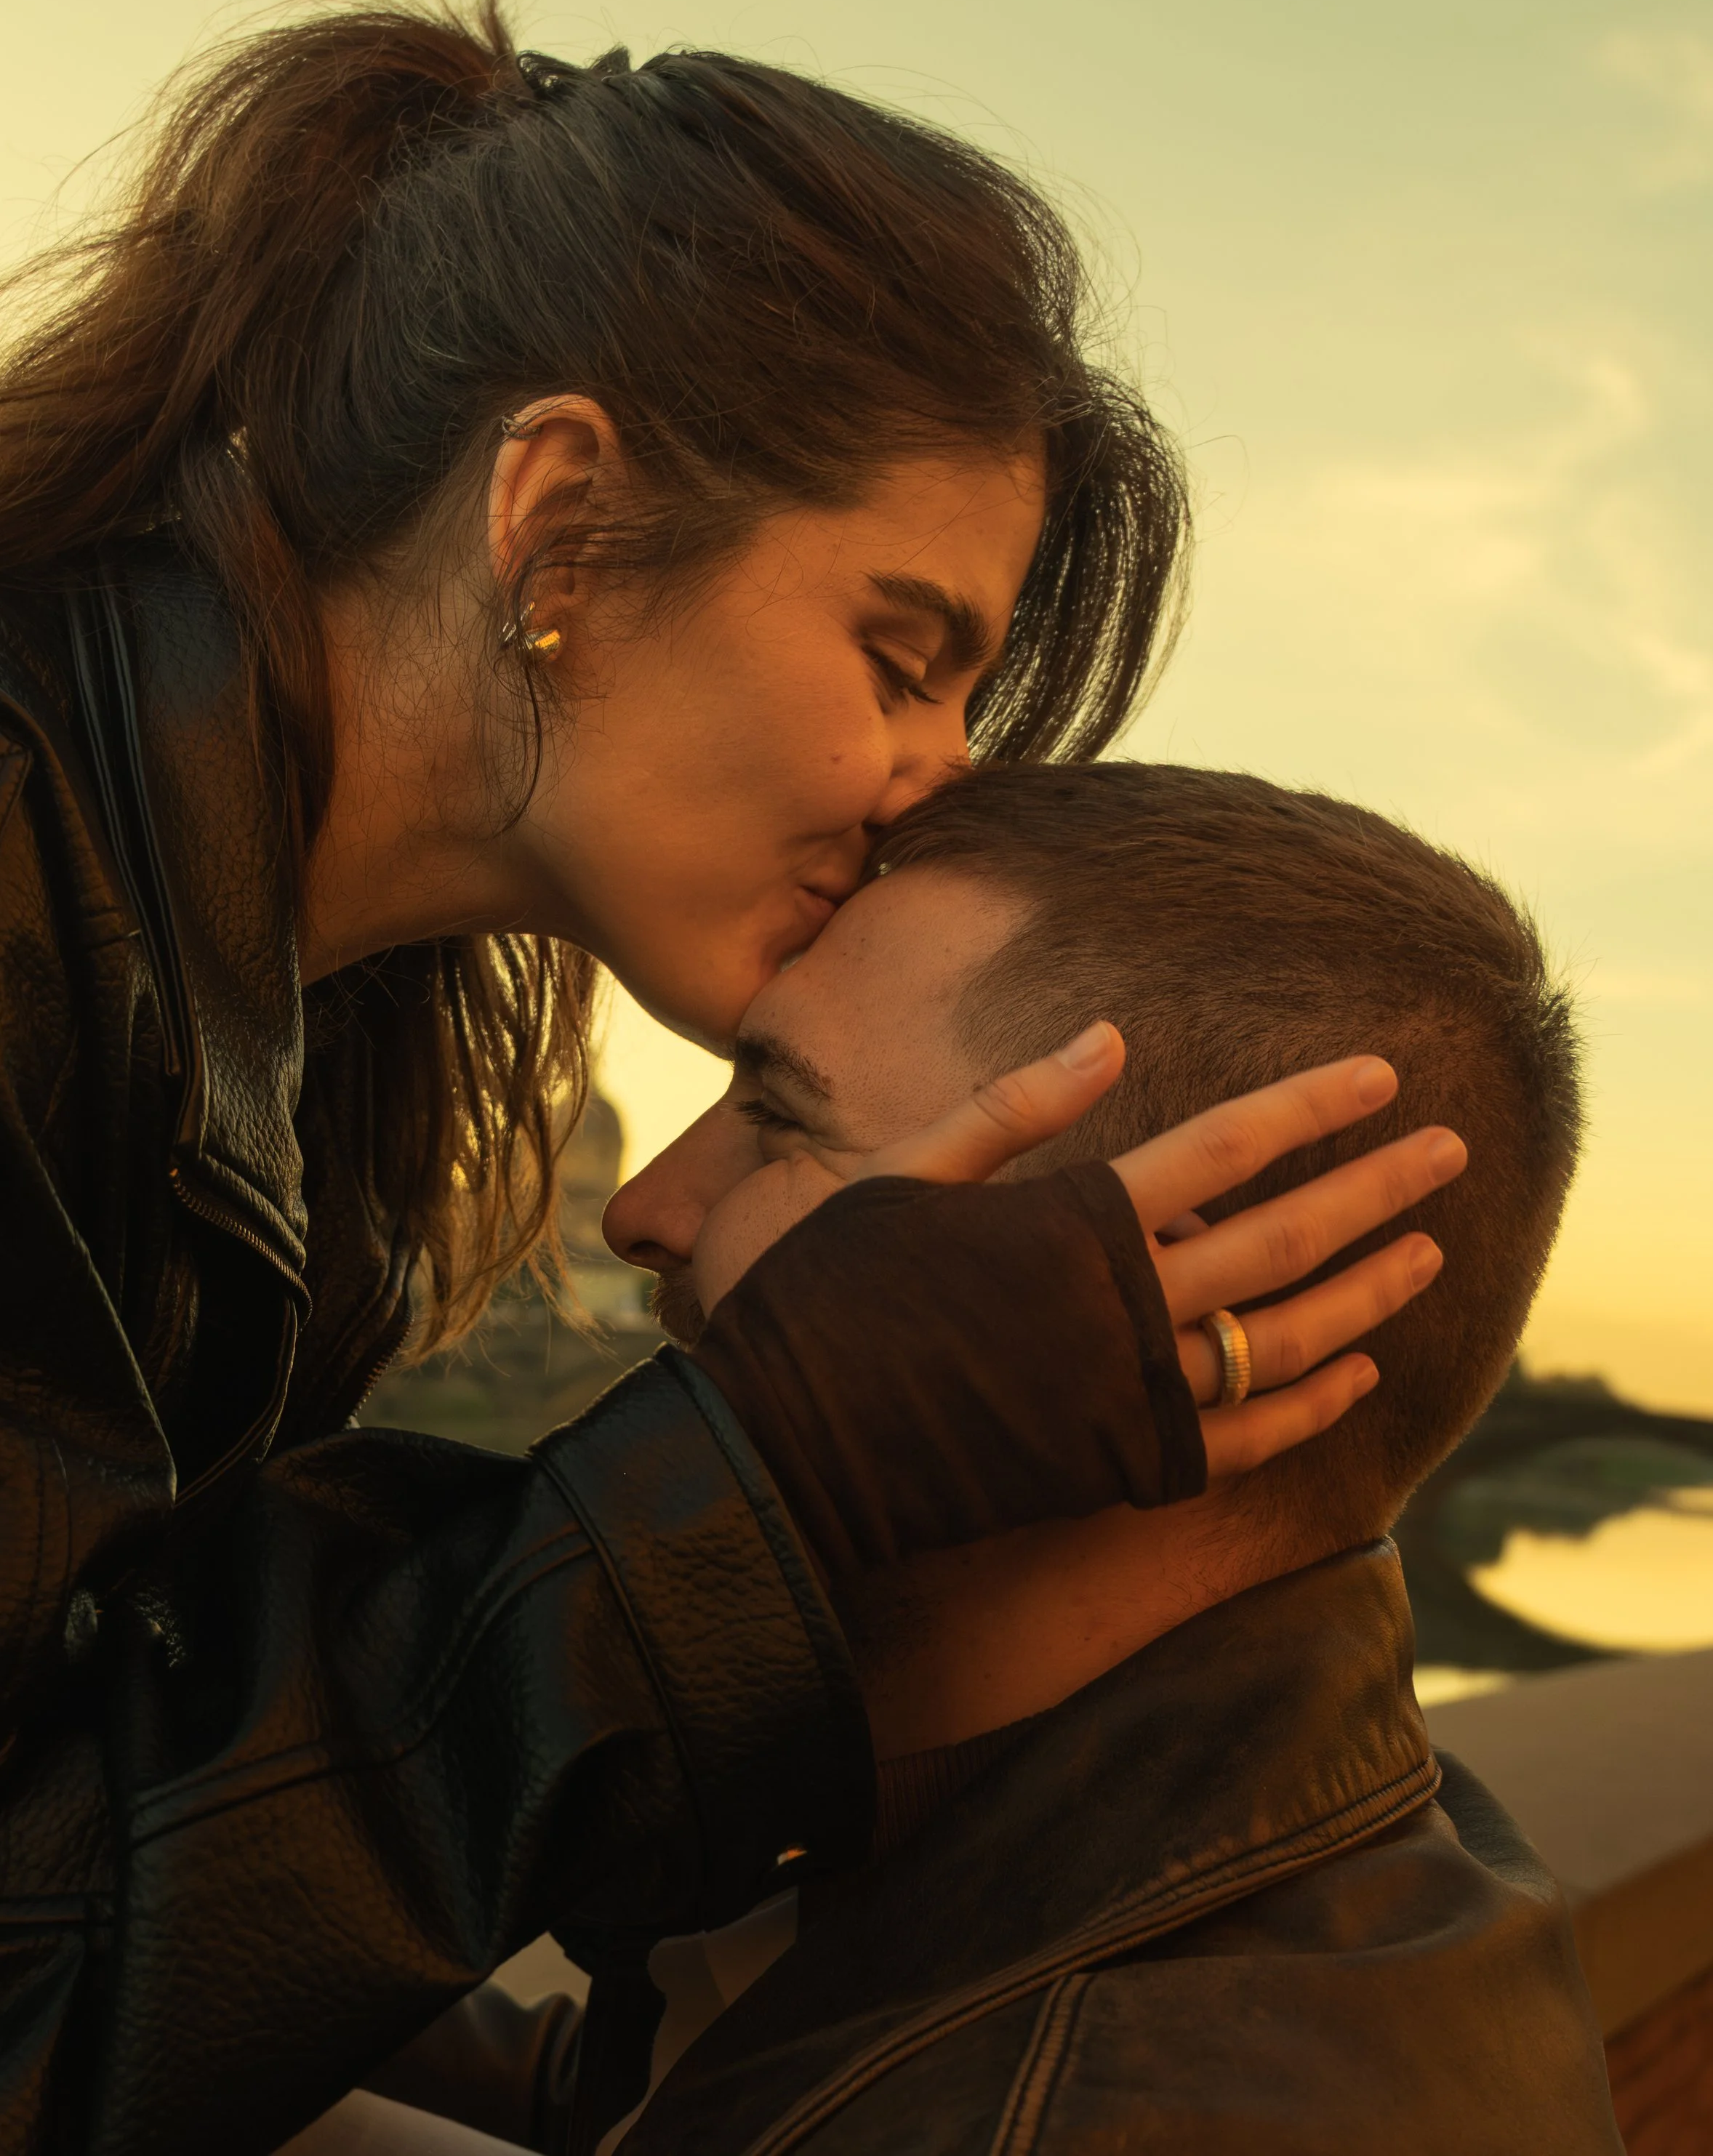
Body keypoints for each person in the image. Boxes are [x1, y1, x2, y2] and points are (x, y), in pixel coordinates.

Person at [0, 0, 1448, 2156]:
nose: (929, 786)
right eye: (903, 657)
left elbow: (77, 1800)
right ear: (561, 525)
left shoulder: (301, 1012)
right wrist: (764, 1472)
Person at [591, 760, 1623, 2156]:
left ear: (1151, 1316)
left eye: (778, 1118)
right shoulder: (1301, 1840)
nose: (647, 1210)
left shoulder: (1089, 2114)